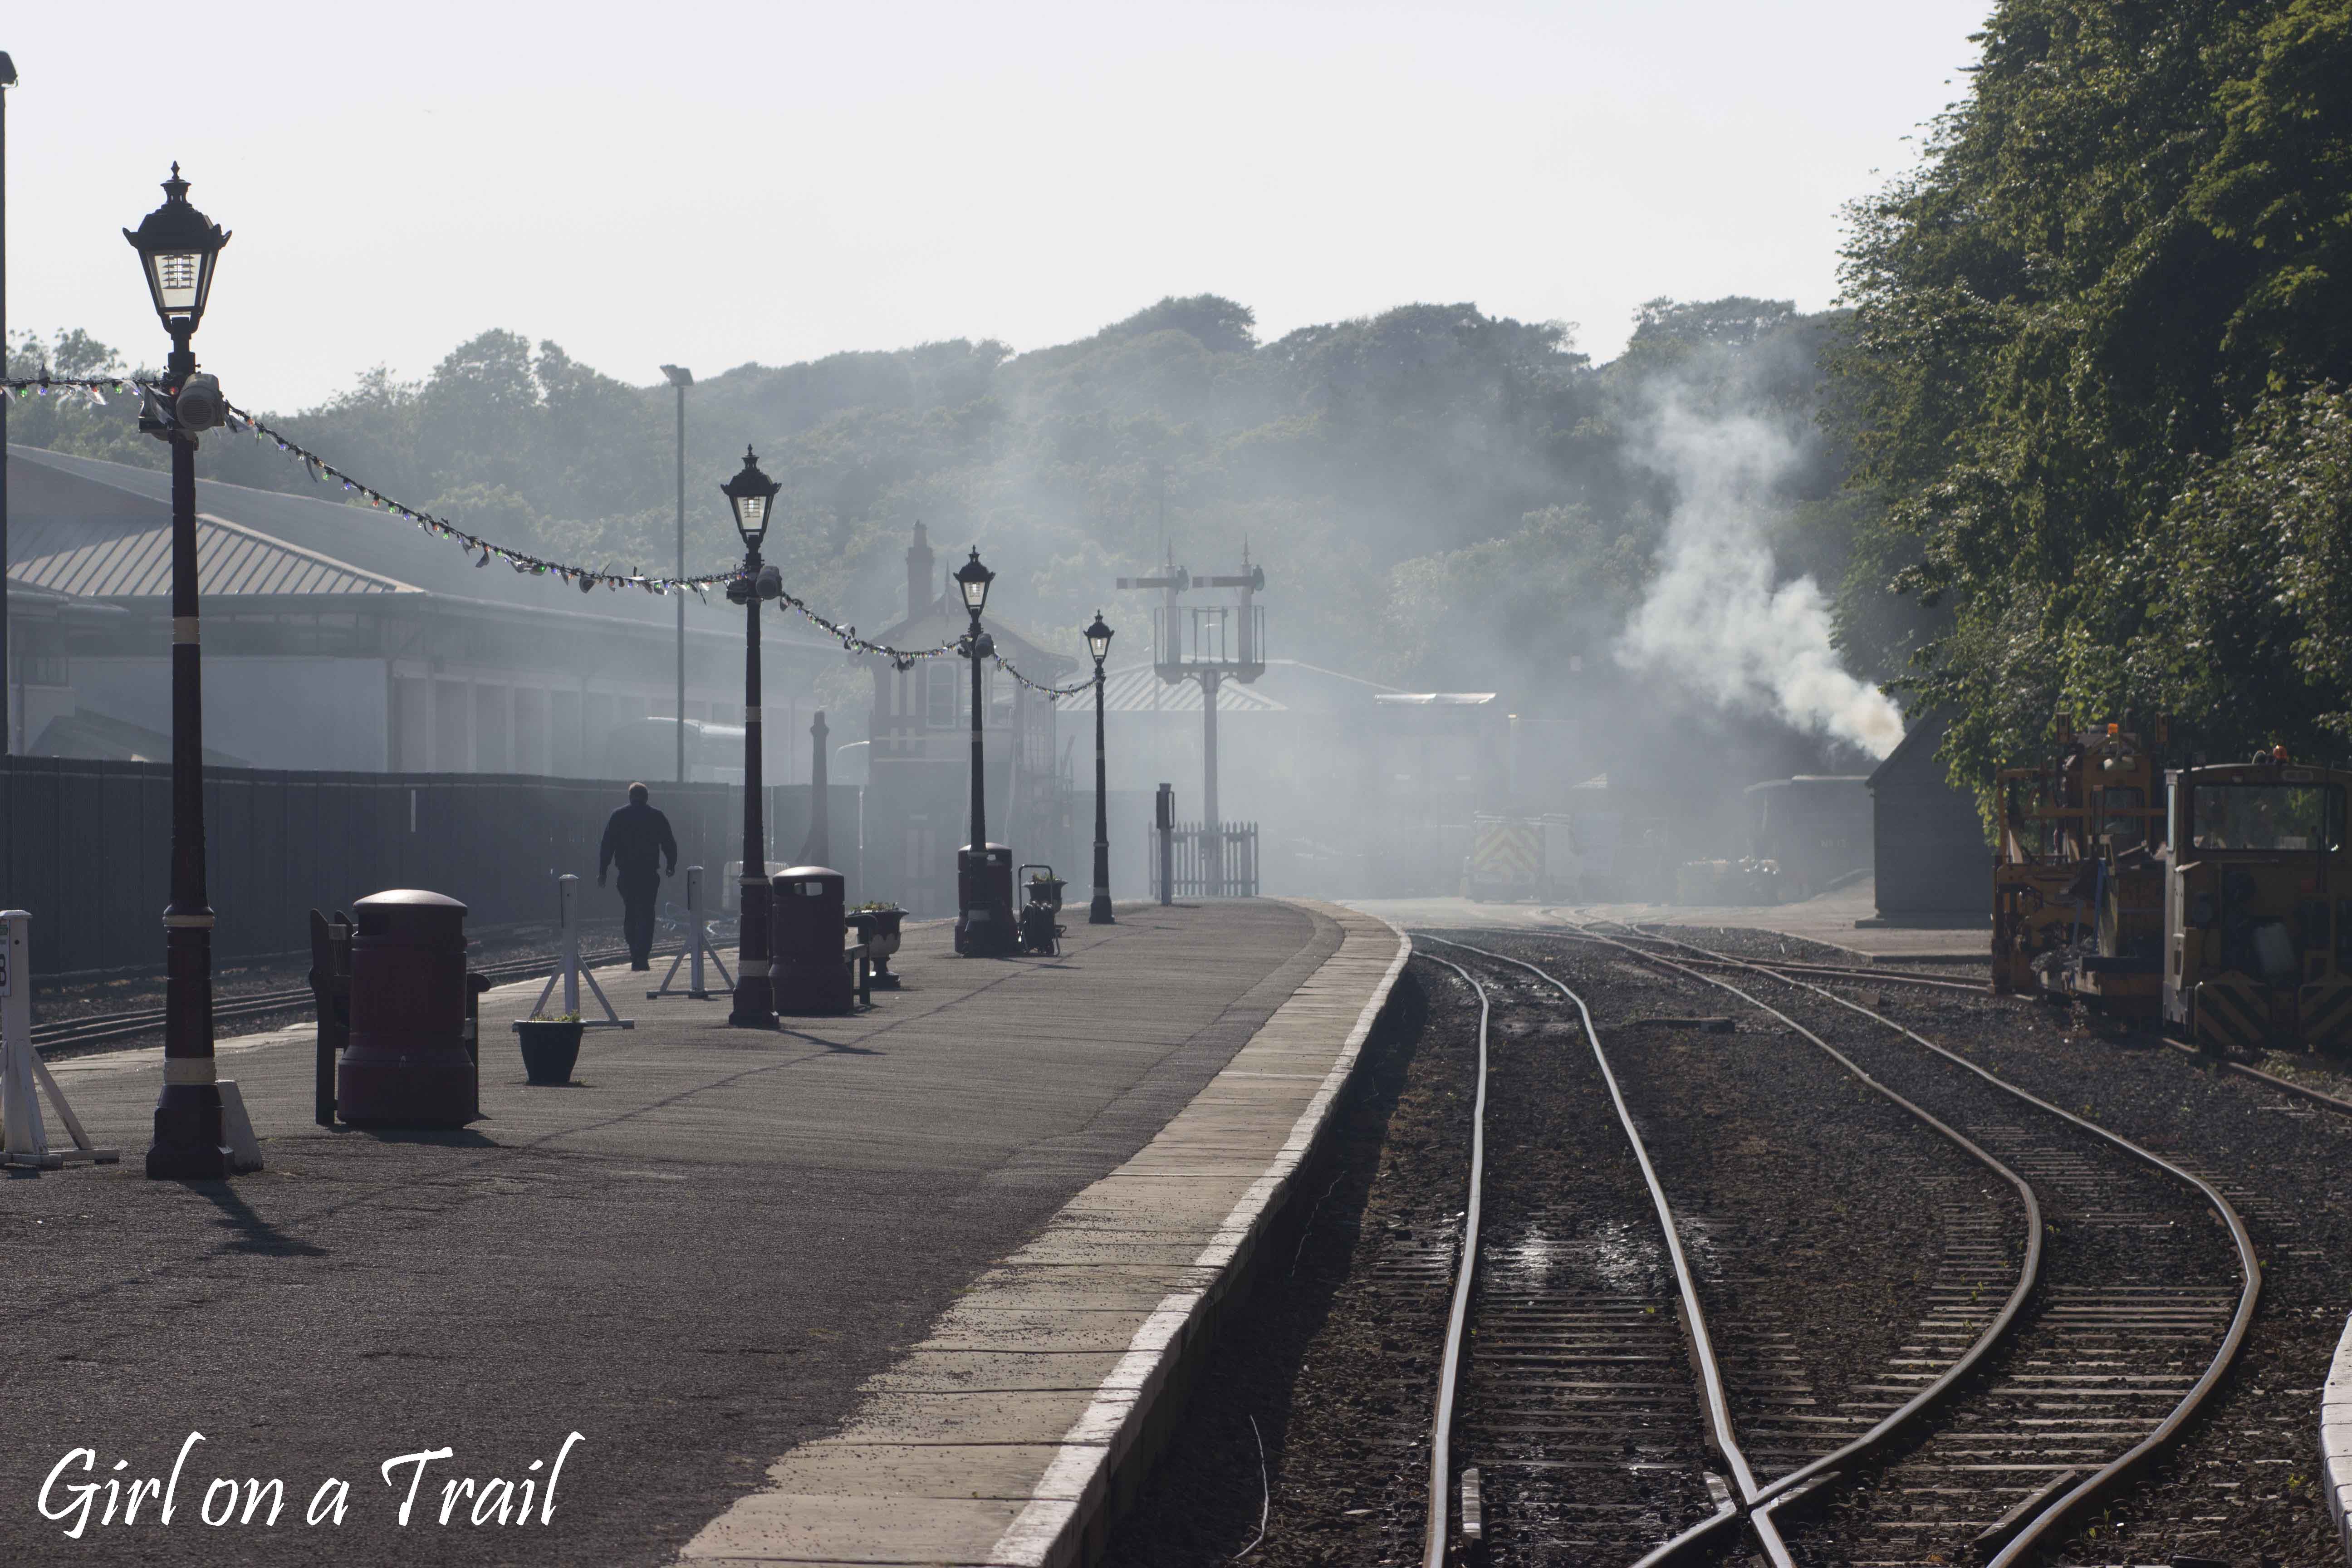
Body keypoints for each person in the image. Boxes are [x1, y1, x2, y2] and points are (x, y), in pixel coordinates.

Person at [599, 783, 677, 970]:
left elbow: (607, 845)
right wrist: (671, 865)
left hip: (626, 875)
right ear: (647, 797)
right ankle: (643, 954)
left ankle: (634, 949)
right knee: (647, 912)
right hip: (649, 874)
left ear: (630, 797)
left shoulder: (618, 816)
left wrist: (603, 871)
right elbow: (669, 843)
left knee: (631, 911)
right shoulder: (656, 816)